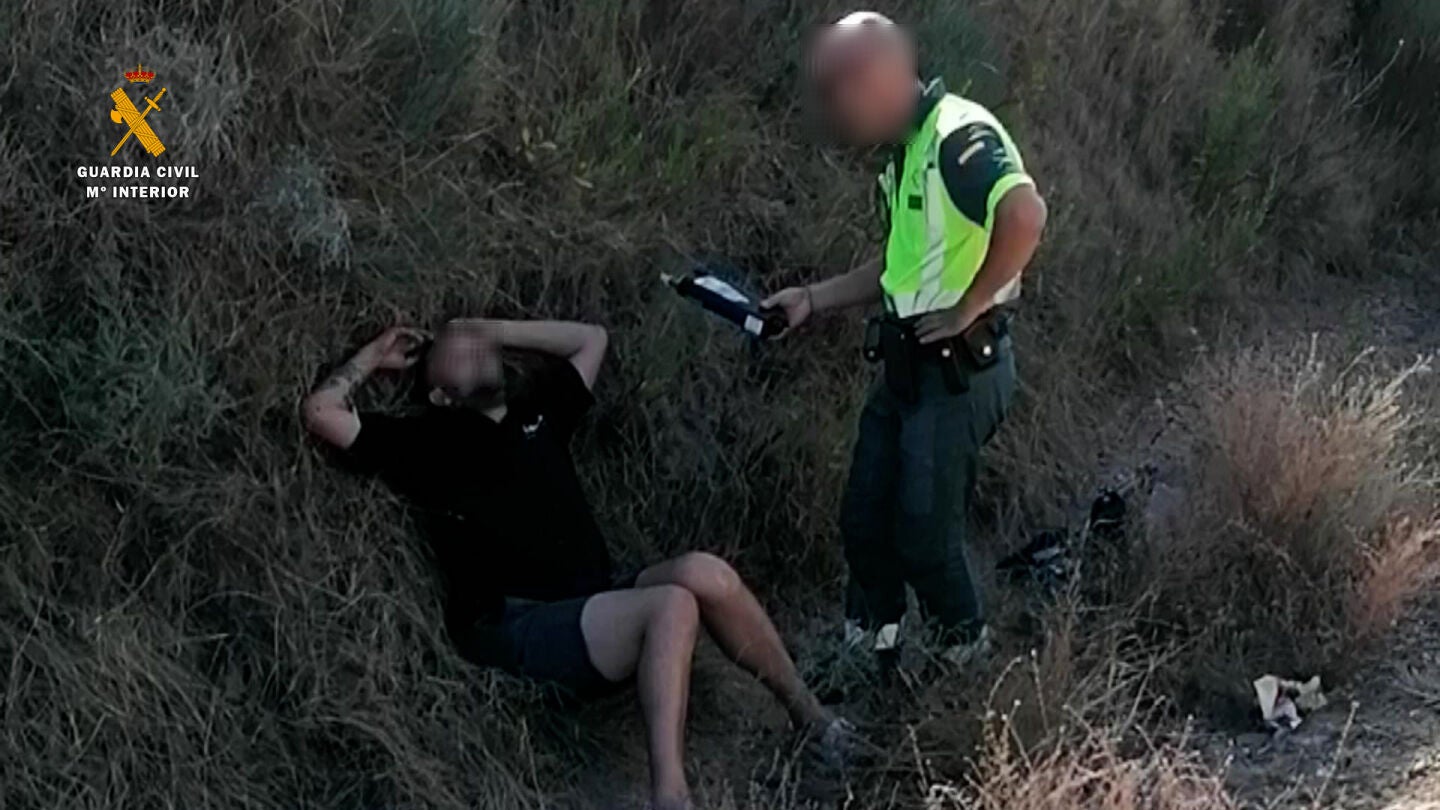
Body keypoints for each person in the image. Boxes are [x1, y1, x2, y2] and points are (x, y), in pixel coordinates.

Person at [301, 318, 851, 810]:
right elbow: (322, 412)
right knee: (671, 605)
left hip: (595, 600)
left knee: (705, 572)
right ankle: (670, 796)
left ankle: (814, 720)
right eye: (455, 350)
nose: (470, 346)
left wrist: (487, 326)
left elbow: (591, 339)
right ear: (441, 395)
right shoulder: (427, 441)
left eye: (476, 344)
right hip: (516, 621)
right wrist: (374, 354)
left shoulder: (538, 412)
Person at [763, 12, 1048, 670]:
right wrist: (812, 299)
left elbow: (1025, 214)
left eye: (838, 88)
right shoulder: (905, 156)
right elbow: (900, 270)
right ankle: (871, 653)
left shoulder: (956, 135)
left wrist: (970, 305)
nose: (832, 108)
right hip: (908, 366)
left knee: (924, 532)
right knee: (865, 517)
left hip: (959, 369)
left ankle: (961, 658)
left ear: (882, 78)